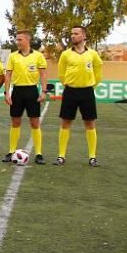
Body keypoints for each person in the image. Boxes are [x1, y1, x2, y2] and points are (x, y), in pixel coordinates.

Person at [55, 25, 103, 167]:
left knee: (90, 123)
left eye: (76, 33)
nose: (73, 36)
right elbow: (61, 73)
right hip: (70, 91)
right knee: (66, 122)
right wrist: (68, 84)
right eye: (72, 33)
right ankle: (61, 156)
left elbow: (98, 71)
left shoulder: (92, 54)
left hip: (87, 92)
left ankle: (92, 157)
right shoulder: (66, 54)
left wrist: (92, 85)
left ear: (83, 36)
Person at [3, 31, 48, 165]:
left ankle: (39, 153)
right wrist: (7, 93)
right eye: (16, 40)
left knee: (35, 123)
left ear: (27, 40)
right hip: (17, 91)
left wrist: (44, 91)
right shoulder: (12, 56)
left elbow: (43, 75)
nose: (17, 42)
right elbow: (8, 75)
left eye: (19, 40)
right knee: (15, 122)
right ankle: (11, 152)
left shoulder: (38, 56)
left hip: (32, 91)